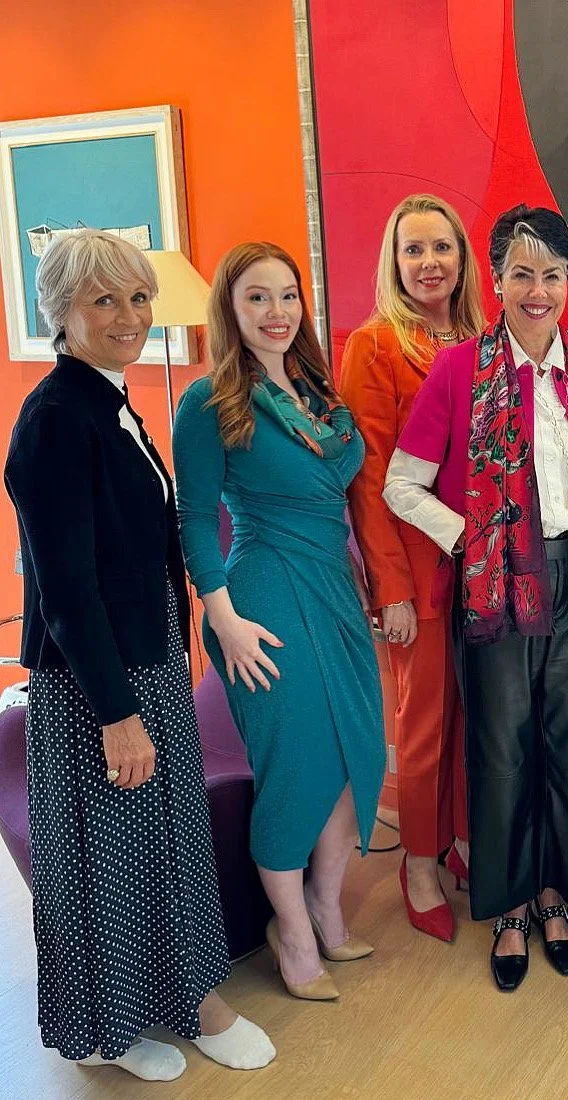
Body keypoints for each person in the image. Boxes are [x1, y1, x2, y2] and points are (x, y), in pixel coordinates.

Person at [4, 229, 274, 1081]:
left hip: (143, 656)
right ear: (61, 312)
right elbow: (66, 589)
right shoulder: (55, 419)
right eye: (104, 300)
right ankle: (110, 1029)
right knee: (110, 857)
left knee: (162, 841)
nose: (130, 316)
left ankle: (186, 997)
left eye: (138, 297)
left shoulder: (107, 400)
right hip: (98, 678)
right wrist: (118, 714)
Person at [383, 204, 568, 991]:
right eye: (522, 273)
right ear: (495, 280)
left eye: (552, 275)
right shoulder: (459, 369)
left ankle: (556, 896)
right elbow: (400, 485)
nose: (538, 290)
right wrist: (471, 539)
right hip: (496, 585)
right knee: (502, 749)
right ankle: (510, 906)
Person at [173, 242, 385, 1003]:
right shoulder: (209, 401)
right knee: (297, 766)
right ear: (230, 309)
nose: (276, 311)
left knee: (354, 756)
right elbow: (194, 519)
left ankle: (326, 907)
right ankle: (290, 932)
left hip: (333, 592)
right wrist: (223, 619)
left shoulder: (318, 394)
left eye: (288, 295)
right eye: (257, 297)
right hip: (260, 600)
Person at [341, 195, 484, 941]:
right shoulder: (374, 346)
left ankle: (460, 840)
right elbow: (369, 478)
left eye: (441, 247)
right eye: (413, 249)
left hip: (485, 568)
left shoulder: (486, 340)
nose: (429, 263)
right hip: (418, 572)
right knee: (423, 724)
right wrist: (390, 586)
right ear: (394, 263)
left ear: (462, 258)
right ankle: (420, 862)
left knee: (477, 716)